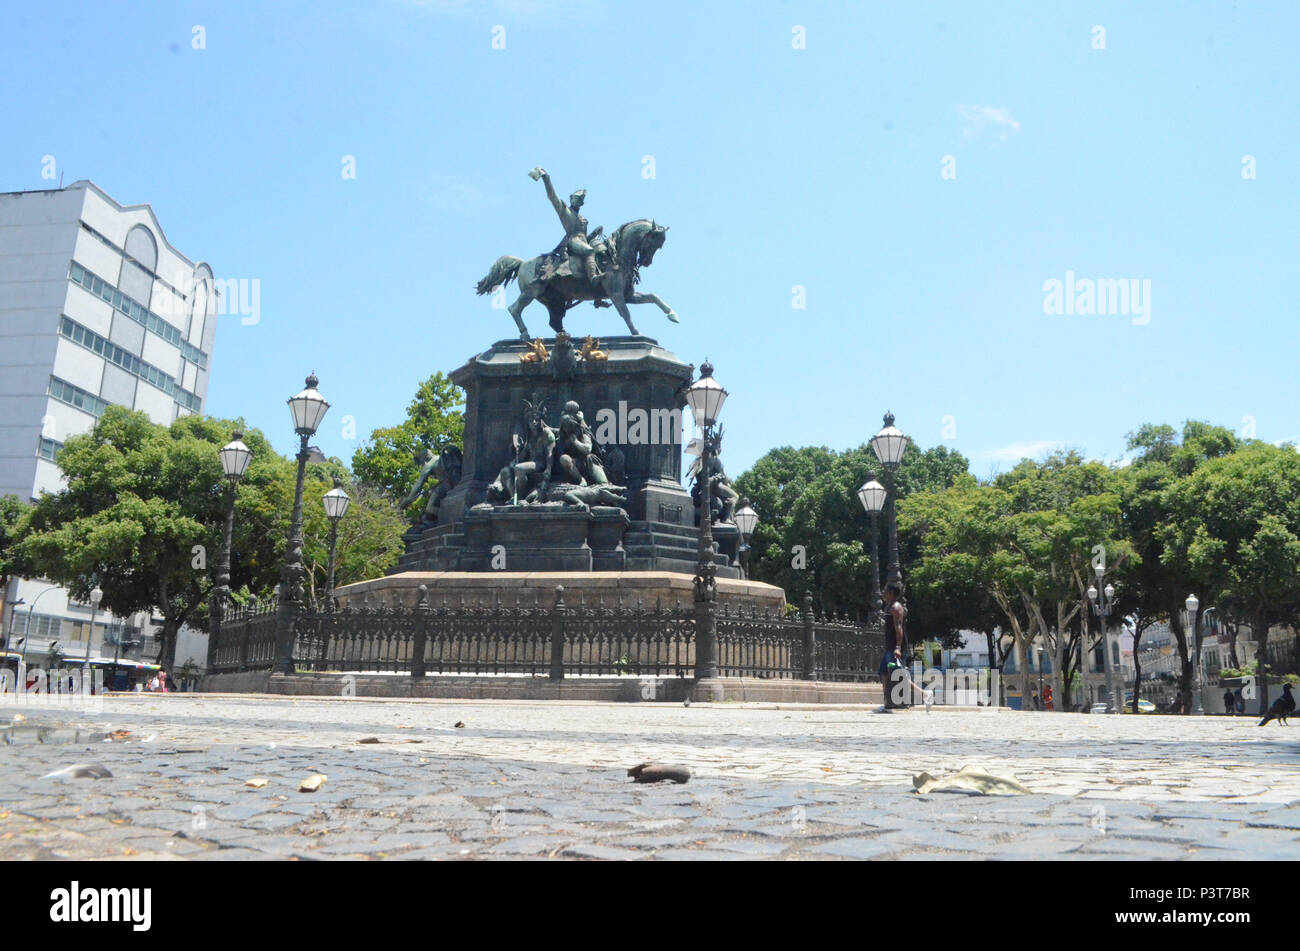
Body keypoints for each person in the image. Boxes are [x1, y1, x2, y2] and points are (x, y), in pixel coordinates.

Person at [879, 582, 907, 711]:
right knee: (884, 672)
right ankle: (888, 700)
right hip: (889, 646)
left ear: (891, 593)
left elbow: (899, 628)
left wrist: (898, 647)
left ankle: (899, 701)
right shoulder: (889, 607)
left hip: (895, 647)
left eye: (885, 590)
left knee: (896, 673)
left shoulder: (896, 607)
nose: (882, 592)